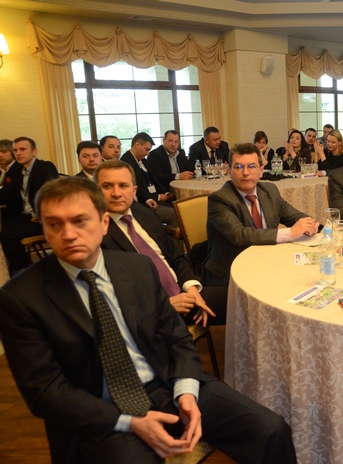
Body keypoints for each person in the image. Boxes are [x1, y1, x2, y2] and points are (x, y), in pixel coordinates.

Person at [0, 176, 297, 464]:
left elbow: (177, 337)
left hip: (167, 382)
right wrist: (129, 422)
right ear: (43, 228)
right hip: (104, 411)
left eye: (80, 221)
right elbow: (45, 391)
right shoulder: (21, 297)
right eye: (55, 224)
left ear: (103, 223)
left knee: (271, 430)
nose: (68, 234)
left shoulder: (136, 267)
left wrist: (186, 391)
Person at [96, 160, 227, 326]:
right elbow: (111, 297)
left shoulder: (144, 214)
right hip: (152, 315)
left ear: (134, 190)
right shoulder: (96, 235)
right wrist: (165, 306)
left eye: (123, 185)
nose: (116, 193)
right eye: (107, 186)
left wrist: (192, 288)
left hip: (184, 292)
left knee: (243, 299)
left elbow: (176, 257)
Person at [202, 143, 318, 287]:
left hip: (267, 263)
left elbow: (294, 216)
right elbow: (240, 235)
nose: (245, 172)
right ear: (229, 171)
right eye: (238, 167)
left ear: (261, 171)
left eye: (252, 166)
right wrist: (291, 232)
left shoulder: (269, 191)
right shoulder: (220, 199)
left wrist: (310, 224)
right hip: (231, 273)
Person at [0, 137, 59, 274]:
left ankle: (24, 272)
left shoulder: (45, 167)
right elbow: (6, 194)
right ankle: (22, 269)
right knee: (3, 229)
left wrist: (39, 214)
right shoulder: (17, 172)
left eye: (22, 149)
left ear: (34, 152)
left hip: (42, 219)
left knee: (7, 236)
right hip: (24, 217)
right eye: (15, 150)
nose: (18, 153)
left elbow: (53, 193)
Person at [120, 132, 179, 229]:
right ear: (137, 145)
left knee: (178, 205)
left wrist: (165, 193)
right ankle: (170, 238)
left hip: (151, 196)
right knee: (175, 213)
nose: (148, 153)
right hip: (141, 203)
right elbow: (136, 188)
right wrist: (157, 197)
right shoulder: (126, 162)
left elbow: (153, 179)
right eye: (146, 149)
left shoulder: (142, 160)